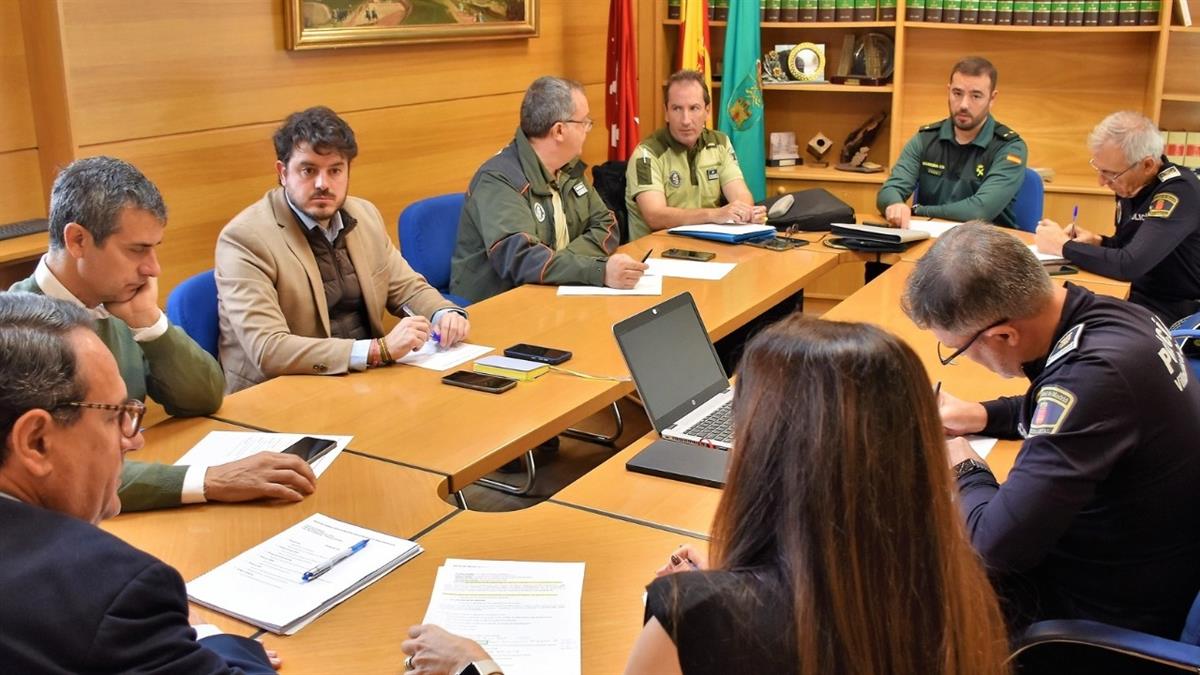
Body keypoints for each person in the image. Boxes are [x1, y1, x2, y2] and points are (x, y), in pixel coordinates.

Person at [400, 316, 1011, 675]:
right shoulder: (957, 587)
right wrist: (746, 580)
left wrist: (474, 665)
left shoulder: (692, 614)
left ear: (765, 452)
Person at [903, 222, 1200, 640]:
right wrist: (980, 414)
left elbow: (995, 547)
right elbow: (1070, 413)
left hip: (1101, 614)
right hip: (1148, 561)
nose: (961, 359)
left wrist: (965, 467)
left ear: (1003, 335)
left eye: (958, 350)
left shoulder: (1095, 380)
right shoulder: (1116, 316)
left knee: (905, 570)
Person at [9, 156, 316, 512]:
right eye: (137, 250)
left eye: (154, 248)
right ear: (77, 240)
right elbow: (68, 470)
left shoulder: (118, 304)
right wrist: (207, 480)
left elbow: (203, 397)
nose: (153, 268)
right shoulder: (17, 335)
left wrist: (149, 323)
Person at [0, 292, 278, 674]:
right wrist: (209, 637)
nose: (135, 440)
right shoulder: (112, 591)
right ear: (35, 441)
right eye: (116, 416)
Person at [216, 106, 470, 393]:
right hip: (281, 394)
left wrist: (444, 315)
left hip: (361, 381)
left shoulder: (364, 215)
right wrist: (377, 351)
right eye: (308, 170)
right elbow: (269, 349)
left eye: (335, 170)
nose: (323, 184)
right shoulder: (244, 239)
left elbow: (407, 288)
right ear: (283, 172)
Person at [452, 76, 646, 304]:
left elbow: (607, 224)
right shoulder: (498, 180)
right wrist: (597, 271)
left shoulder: (568, 168)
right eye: (584, 122)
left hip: (554, 295)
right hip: (499, 307)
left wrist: (564, 263)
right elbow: (521, 258)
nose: (588, 129)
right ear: (559, 131)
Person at [1034, 111, 1200, 325]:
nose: (1101, 182)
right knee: (1055, 302)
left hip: (1176, 308)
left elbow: (1129, 265)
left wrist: (1062, 246)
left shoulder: (1178, 191)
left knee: (1073, 323)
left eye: (1110, 173)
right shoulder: (1131, 183)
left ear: (1147, 165)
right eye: (1099, 169)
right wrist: (1099, 241)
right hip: (1136, 292)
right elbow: (1127, 246)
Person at [877, 56, 1027, 230]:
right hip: (932, 242)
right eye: (957, 93)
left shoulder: (1010, 147)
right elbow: (890, 190)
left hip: (987, 247)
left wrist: (919, 210)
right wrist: (894, 204)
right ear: (948, 91)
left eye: (976, 96)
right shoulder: (925, 139)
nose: (964, 104)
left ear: (992, 99)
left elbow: (979, 211)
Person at [624, 69, 765, 241]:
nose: (685, 120)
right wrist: (713, 214)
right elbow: (655, 216)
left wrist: (746, 212)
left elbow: (741, 196)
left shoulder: (720, 143)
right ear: (666, 112)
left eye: (694, 108)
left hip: (706, 247)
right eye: (677, 109)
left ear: (707, 111)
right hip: (655, 255)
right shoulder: (647, 154)